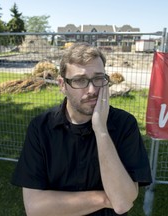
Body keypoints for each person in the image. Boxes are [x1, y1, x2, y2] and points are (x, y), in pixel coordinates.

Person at [11, 42, 152, 216]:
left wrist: (101, 130)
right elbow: (35, 207)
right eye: (80, 80)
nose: (92, 90)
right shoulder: (41, 128)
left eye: (98, 78)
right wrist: (106, 199)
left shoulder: (124, 125)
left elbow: (122, 203)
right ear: (62, 85)